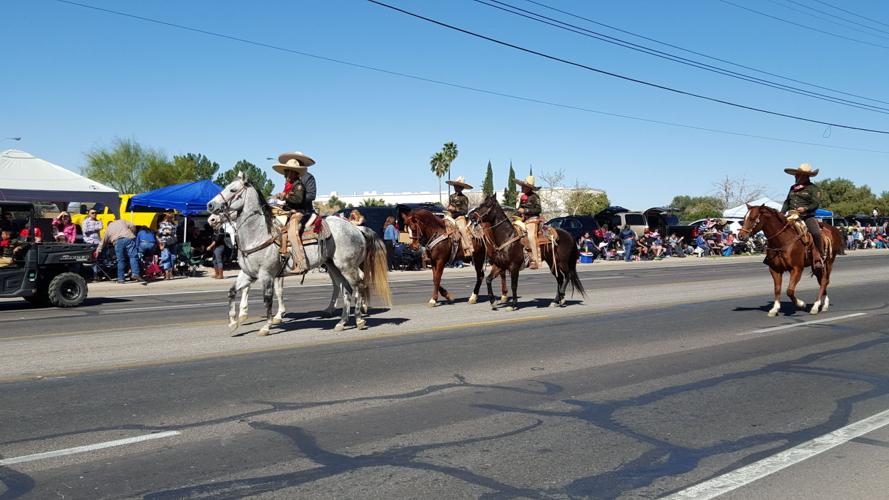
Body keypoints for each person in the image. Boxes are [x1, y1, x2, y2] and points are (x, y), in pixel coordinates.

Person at [273, 151, 316, 274]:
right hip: (290, 209)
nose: (286, 173)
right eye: (286, 171)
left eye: (288, 170)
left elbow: (309, 196)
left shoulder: (305, 180)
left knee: (292, 233)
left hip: (302, 210)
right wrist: (282, 197)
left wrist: (287, 197)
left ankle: (301, 262)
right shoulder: (289, 182)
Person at [781, 163, 824, 270]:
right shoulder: (792, 188)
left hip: (806, 216)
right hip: (791, 216)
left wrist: (805, 209)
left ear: (805, 176)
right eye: (796, 175)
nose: (796, 177)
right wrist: (782, 213)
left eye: (798, 175)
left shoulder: (813, 188)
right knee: (778, 230)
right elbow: (787, 202)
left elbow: (815, 204)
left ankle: (819, 256)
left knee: (816, 233)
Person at [96, 219, 143, 284]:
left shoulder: (108, 229)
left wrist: (98, 250)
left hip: (117, 242)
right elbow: (132, 225)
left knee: (121, 260)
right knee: (133, 257)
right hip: (128, 238)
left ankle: (121, 279)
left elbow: (103, 241)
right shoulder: (121, 221)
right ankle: (135, 273)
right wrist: (133, 233)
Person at [514, 175, 542, 268]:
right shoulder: (522, 197)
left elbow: (538, 210)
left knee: (530, 236)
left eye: (524, 186)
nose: (522, 187)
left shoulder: (535, 197)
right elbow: (518, 209)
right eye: (522, 186)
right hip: (523, 220)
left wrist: (526, 211)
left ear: (529, 188)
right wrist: (515, 215)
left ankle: (534, 260)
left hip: (532, 219)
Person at [445, 176, 475, 258]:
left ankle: (469, 248)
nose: (456, 187)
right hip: (450, 216)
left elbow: (464, 211)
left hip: (459, 217)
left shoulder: (464, 198)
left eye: (458, 186)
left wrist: (455, 209)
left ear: (462, 188)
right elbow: (449, 206)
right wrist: (449, 209)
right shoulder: (451, 196)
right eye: (455, 186)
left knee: (462, 229)